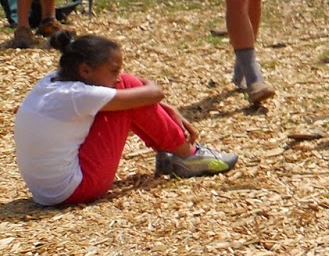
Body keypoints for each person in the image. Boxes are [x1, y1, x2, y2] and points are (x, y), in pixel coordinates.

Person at [13, 28, 238, 206]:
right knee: (128, 86)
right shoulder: (80, 95)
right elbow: (155, 92)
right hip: (75, 190)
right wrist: (151, 94)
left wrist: (159, 107)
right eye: (113, 70)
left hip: (45, 193)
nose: (117, 76)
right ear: (85, 70)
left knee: (126, 93)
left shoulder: (53, 83)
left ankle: (172, 151)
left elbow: (146, 99)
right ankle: (188, 155)